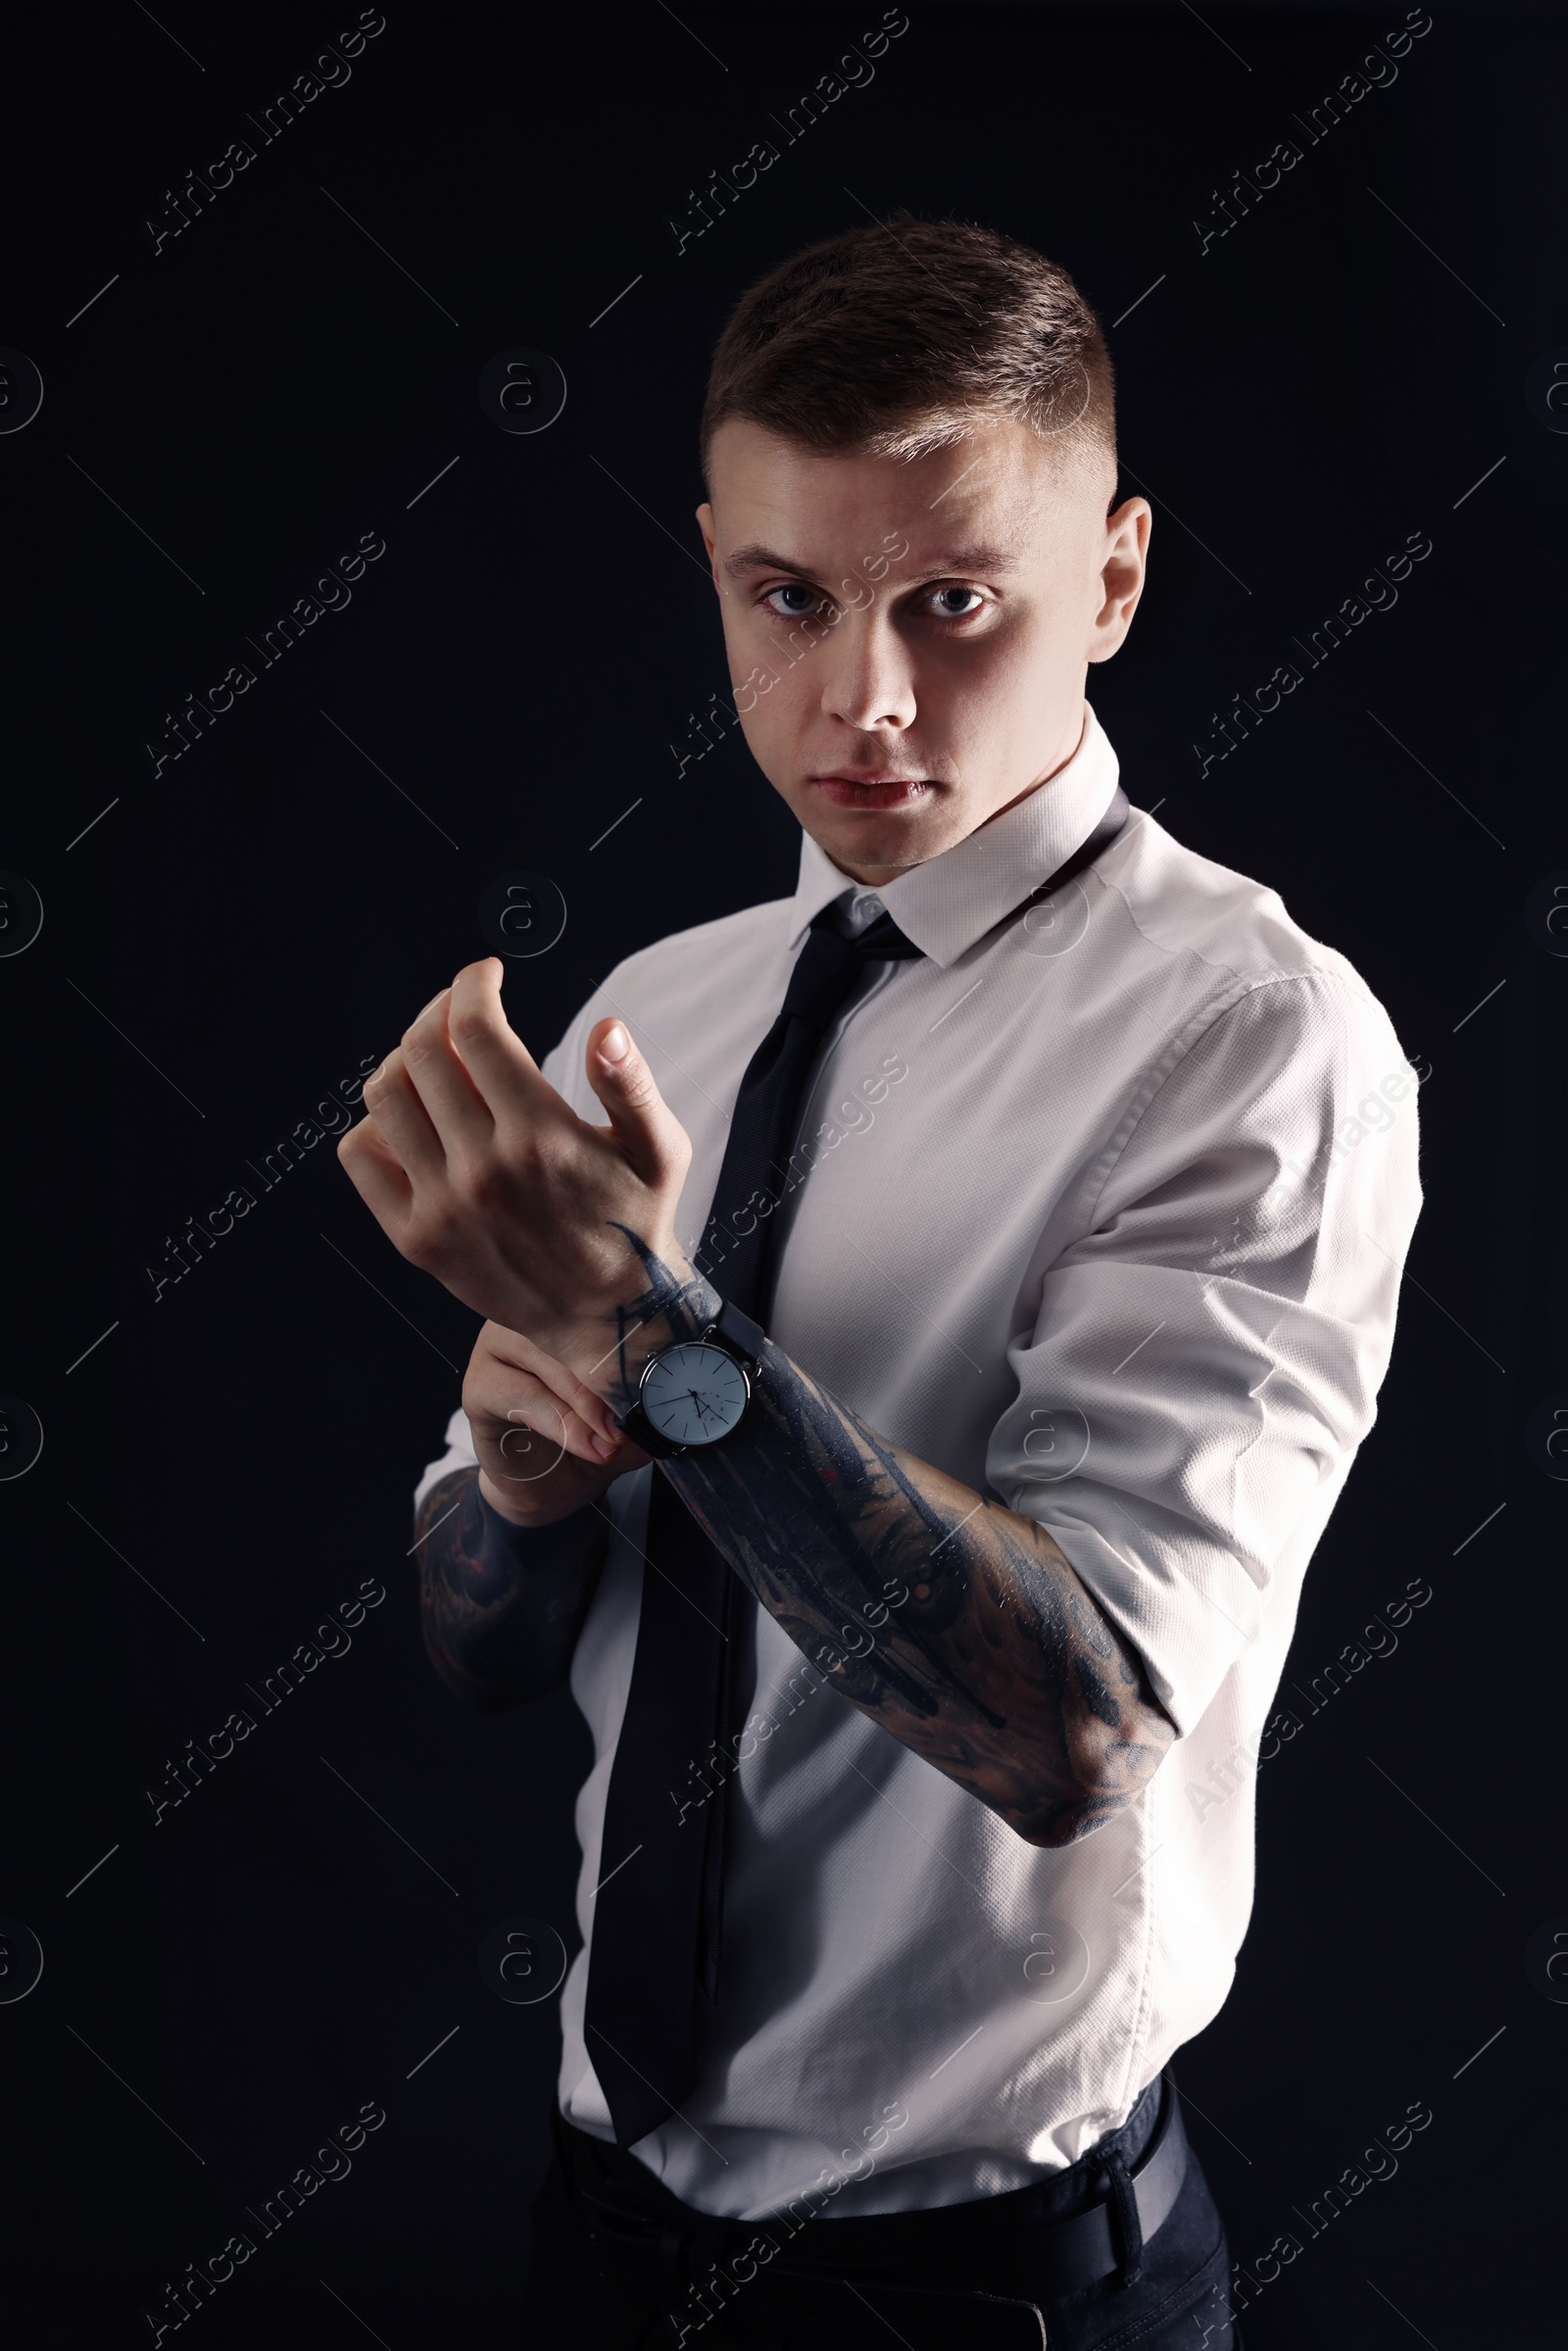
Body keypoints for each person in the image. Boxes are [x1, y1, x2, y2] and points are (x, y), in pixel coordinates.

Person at [338, 219, 1422, 2349]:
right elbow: (483, 1660)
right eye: (787, 599)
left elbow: (1076, 1724)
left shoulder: (1244, 1033)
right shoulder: (667, 1009)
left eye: (949, 603)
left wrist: (649, 1333)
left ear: (1106, 581)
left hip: (984, 2297)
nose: (862, 700)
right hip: (600, 2239)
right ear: (715, 573)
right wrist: (530, 1465)